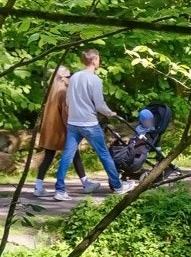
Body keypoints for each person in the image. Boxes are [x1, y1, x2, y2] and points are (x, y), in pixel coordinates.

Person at [55, 49, 133, 199]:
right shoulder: (95, 80)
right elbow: (99, 105)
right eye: (99, 59)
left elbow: (68, 101)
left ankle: (60, 190)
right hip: (89, 123)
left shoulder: (74, 77)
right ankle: (117, 186)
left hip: (73, 123)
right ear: (95, 60)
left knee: (67, 156)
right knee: (104, 155)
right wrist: (110, 113)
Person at [34, 65, 88, 197]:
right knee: (74, 155)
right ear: (63, 78)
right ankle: (85, 183)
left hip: (50, 131)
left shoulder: (51, 92)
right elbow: (66, 114)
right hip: (61, 131)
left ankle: (38, 186)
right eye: (69, 76)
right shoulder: (63, 92)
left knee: (48, 157)